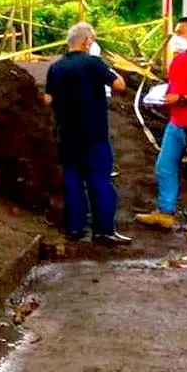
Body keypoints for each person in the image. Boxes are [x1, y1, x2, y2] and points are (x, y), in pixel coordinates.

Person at [44, 22, 130, 245]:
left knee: (72, 180)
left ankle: (75, 228)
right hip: (93, 134)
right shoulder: (93, 63)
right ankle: (103, 230)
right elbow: (119, 85)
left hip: (66, 134)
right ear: (87, 41)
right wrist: (109, 69)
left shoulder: (56, 67)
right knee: (99, 180)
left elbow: (48, 99)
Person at [136, 17, 187, 235]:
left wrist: (181, 98)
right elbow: (174, 86)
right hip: (176, 123)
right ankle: (165, 211)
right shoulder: (179, 61)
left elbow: (181, 94)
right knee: (165, 166)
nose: (176, 37)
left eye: (181, 32)